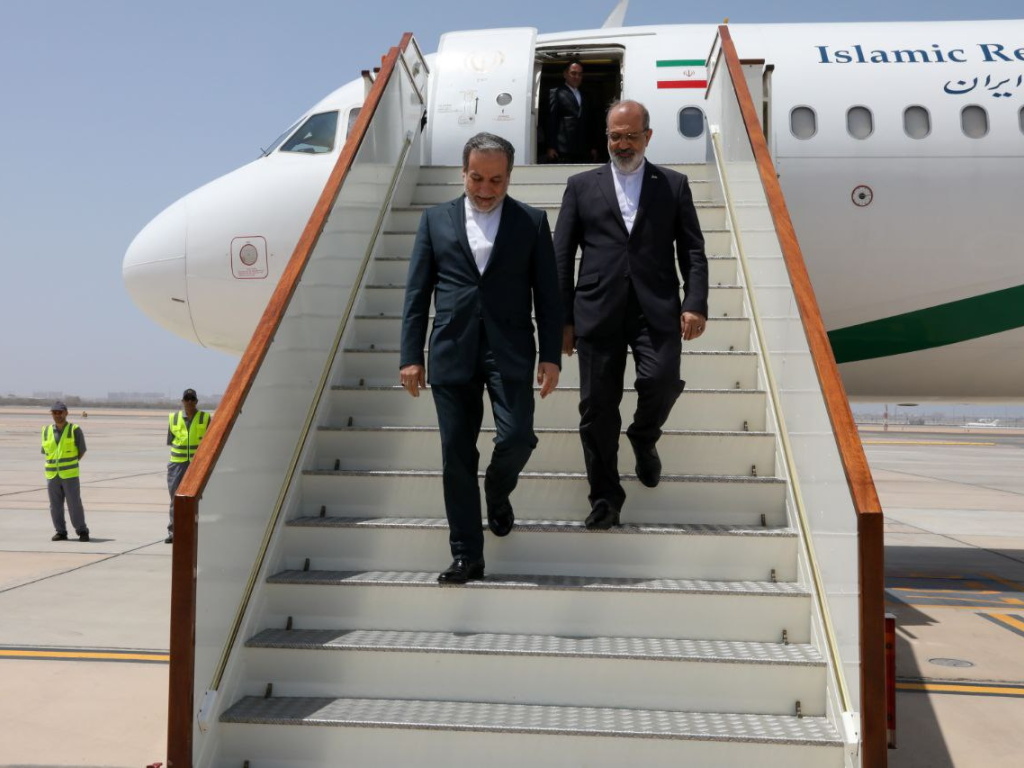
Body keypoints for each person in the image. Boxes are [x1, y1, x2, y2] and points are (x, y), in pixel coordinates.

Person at [400, 132, 562, 584]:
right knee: (456, 455)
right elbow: (417, 294)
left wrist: (551, 355)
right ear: (463, 173)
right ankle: (466, 555)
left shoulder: (531, 222)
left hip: (510, 349)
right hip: (452, 349)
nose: (486, 189)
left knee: (518, 436)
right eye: (477, 178)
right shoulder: (434, 220)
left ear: (509, 177)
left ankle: (497, 488)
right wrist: (411, 355)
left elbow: (548, 296)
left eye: (496, 180)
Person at [554, 99, 709, 529]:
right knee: (597, 409)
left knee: (662, 380)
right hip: (596, 310)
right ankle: (605, 498)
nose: (622, 144)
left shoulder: (673, 185)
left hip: (655, 309)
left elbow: (693, 251)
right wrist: (562, 320)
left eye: (631, 136)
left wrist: (695, 303)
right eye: (615, 136)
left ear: (648, 137)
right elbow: (561, 257)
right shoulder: (580, 186)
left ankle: (644, 435)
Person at [165, 388, 210, 544]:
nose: (189, 402)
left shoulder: (205, 418)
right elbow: (171, 440)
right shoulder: (174, 418)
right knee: (175, 499)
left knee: (199, 498)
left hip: (198, 463)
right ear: (182, 401)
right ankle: (174, 532)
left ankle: (197, 531)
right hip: (177, 464)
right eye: (187, 399)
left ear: (196, 401)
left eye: (192, 399)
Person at [42, 401, 90, 542]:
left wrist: (71, 463)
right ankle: (60, 532)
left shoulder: (74, 429)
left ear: (66, 413)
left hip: (70, 475)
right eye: (54, 412)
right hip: (52, 475)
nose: (57, 415)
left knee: (74, 504)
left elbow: (82, 450)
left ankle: (82, 531)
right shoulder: (46, 431)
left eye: (60, 412)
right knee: (55, 506)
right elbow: (45, 452)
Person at [545, 59, 598, 164]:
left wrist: (593, 146)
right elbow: (551, 121)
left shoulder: (586, 95)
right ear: (565, 74)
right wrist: (550, 146)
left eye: (580, 74)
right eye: (573, 73)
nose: (577, 77)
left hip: (584, 149)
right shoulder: (556, 92)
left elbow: (591, 122)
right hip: (563, 149)